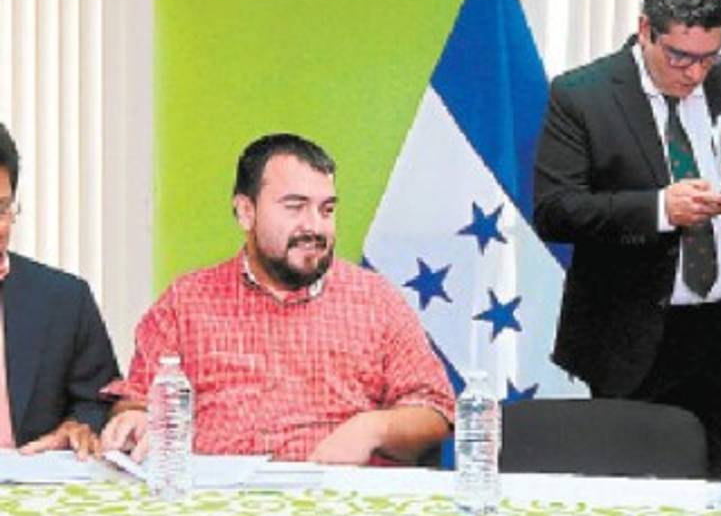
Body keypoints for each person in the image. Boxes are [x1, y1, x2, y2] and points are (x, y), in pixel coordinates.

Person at [533, 0, 721, 479]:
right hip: (630, 339)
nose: (695, 73)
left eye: (709, 57)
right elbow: (556, 210)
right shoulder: (582, 95)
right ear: (645, 31)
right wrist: (659, 209)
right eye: (680, 56)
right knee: (639, 496)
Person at [100, 133, 454, 464]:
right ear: (246, 211)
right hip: (220, 498)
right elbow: (138, 398)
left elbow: (436, 410)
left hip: (339, 496)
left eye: (327, 210)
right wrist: (135, 418)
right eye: (295, 207)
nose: (314, 227)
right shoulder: (186, 302)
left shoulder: (377, 300)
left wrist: (373, 428)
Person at [0, 123, 120, 459]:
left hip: (29, 482)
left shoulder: (64, 300)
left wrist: (76, 427)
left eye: (1, 209)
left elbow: (99, 402)